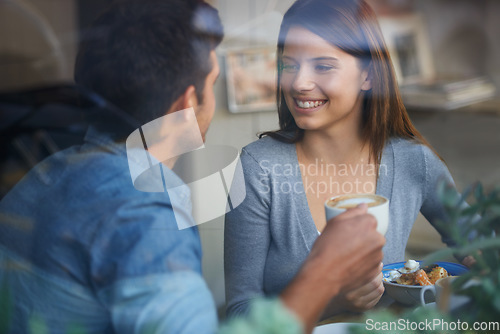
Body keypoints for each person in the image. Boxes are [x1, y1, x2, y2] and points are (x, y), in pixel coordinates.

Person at [0, 0, 384, 333]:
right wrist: (323, 273)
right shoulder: (143, 218)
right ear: (186, 103)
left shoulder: (42, 177)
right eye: (212, 83)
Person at [224, 0, 465, 319]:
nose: (299, 83)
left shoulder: (413, 161)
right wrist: (330, 299)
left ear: (367, 76)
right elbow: (239, 312)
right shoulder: (258, 168)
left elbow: (478, 244)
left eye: (323, 66)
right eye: (290, 65)